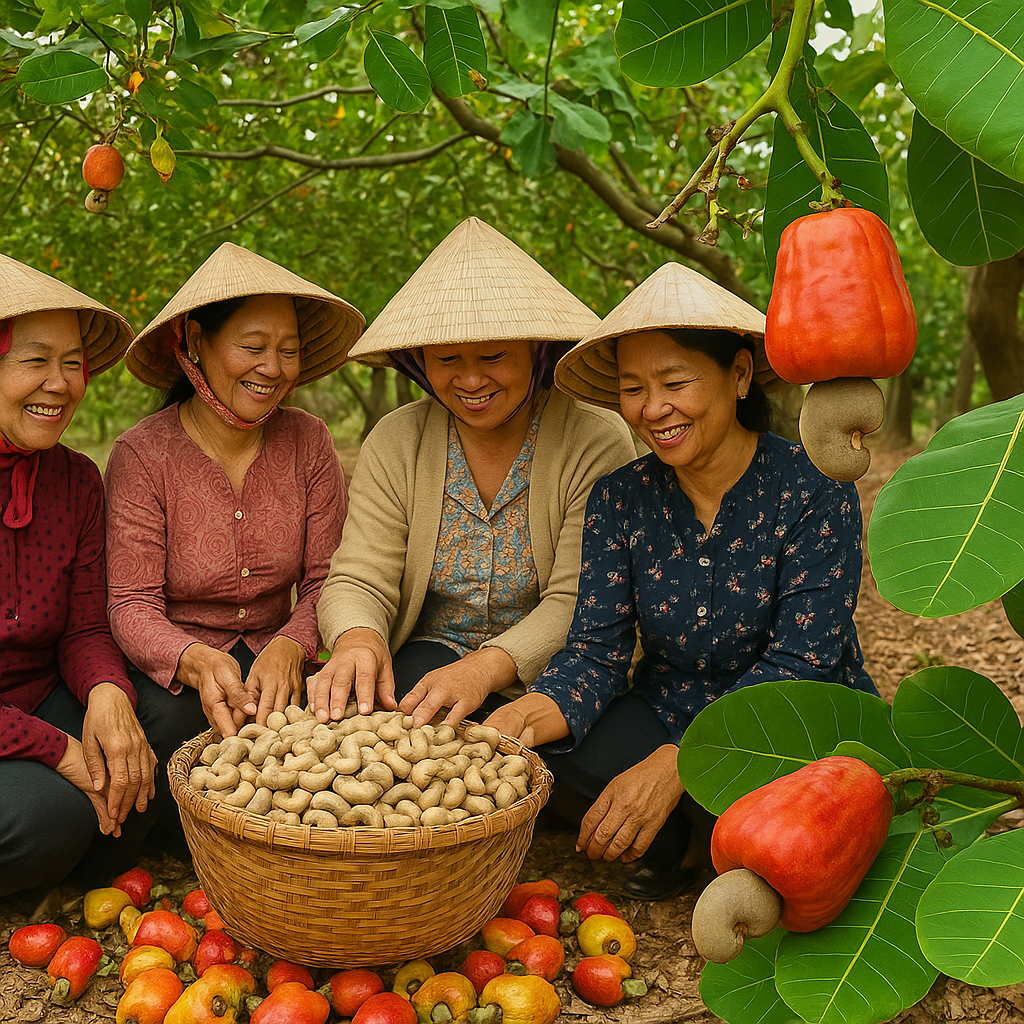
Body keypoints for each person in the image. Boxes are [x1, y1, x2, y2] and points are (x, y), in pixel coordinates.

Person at [485, 261, 877, 900]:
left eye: (675, 382)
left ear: (740, 375)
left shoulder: (812, 488)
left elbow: (802, 664)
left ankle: (700, 824)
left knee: (795, 829)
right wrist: (525, 718)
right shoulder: (620, 497)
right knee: (557, 744)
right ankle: (687, 837)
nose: (653, 409)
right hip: (665, 709)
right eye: (633, 388)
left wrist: (680, 762)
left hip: (792, 727)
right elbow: (595, 652)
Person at [310, 217, 636, 728]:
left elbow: (579, 597)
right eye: (446, 359)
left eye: (494, 356)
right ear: (419, 361)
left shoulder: (592, 437)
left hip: (563, 668)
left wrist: (484, 669)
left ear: (537, 350)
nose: (470, 379)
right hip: (430, 657)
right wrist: (357, 637)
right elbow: (360, 574)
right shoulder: (398, 441)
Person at [104, 242, 363, 856]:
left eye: (289, 350)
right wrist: (193, 659)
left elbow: (331, 577)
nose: (272, 368)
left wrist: (291, 645)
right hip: (178, 677)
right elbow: (130, 604)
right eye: (252, 347)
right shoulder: (143, 455)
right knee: (166, 737)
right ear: (195, 341)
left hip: (282, 661)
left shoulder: (310, 441)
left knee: (347, 734)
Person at [0, 253, 156, 898]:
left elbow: (87, 625)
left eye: (73, 364)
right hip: (22, 727)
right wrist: (59, 751)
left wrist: (106, 694)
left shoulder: (76, 479)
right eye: (36, 361)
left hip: (37, 695)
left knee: (159, 730)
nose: (60, 384)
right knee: (46, 819)